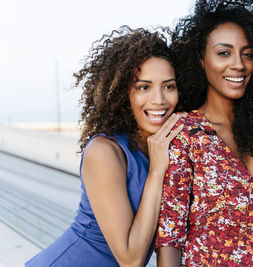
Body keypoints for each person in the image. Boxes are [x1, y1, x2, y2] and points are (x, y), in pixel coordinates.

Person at [155, 0, 253, 266]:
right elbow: (169, 240)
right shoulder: (185, 134)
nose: (238, 65)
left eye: (248, 54)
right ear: (201, 59)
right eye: (224, 53)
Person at [26, 26, 184, 266]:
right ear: (122, 92)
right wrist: (156, 171)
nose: (159, 99)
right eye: (144, 87)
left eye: (169, 86)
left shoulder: (164, 146)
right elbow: (131, 259)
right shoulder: (104, 151)